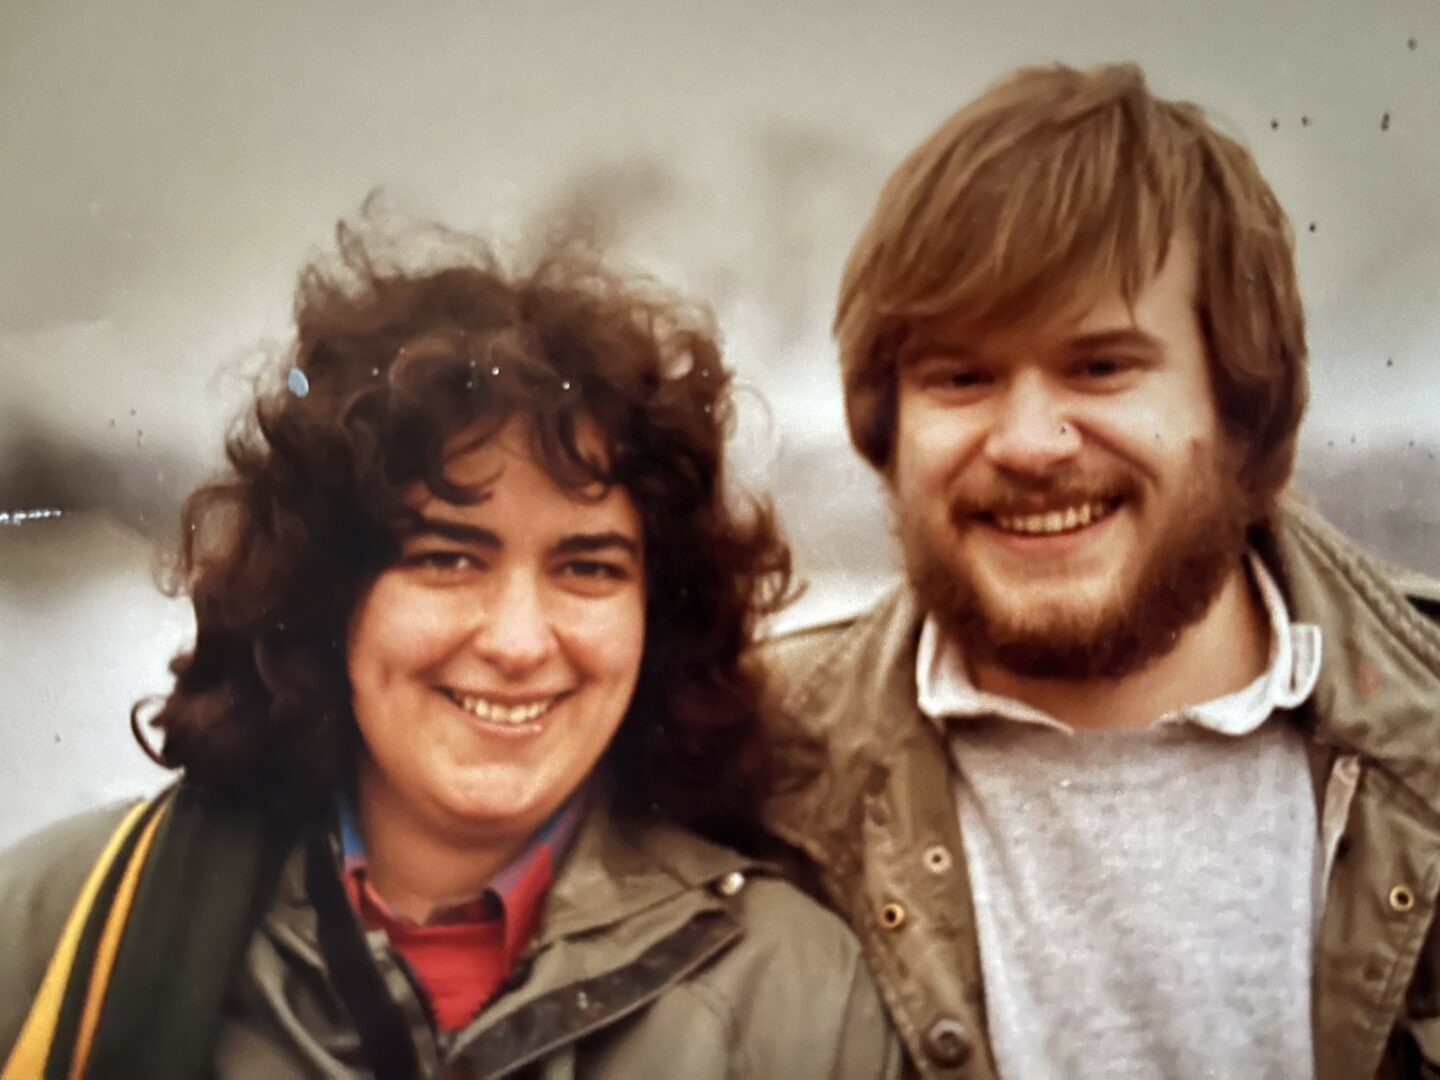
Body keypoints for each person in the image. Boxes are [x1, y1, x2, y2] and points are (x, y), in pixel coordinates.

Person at [0, 219, 900, 1078]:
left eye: (587, 567)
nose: (516, 641)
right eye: (447, 558)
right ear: (327, 593)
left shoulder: (800, 999)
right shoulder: (56, 927)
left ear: (658, 616)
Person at [759, 61, 1440, 1080]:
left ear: (1240, 409)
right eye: (962, 377)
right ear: (886, 428)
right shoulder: (749, 769)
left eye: (1102, 366)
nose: (1030, 441)